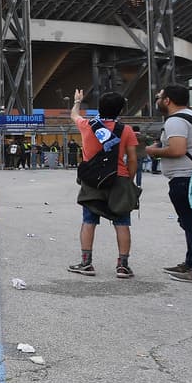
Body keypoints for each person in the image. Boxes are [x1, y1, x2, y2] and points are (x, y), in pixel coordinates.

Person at [145, 83, 192, 285]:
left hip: (186, 178)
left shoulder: (175, 121)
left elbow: (177, 150)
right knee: (190, 223)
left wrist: (153, 151)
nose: (157, 100)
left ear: (167, 100)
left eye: (159, 97)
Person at [67, 89, 139, 278]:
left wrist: (77, 101)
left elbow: (74, 115)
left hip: (93, 181)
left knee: (89, 221)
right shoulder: (126, 130)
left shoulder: (88, 125)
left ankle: (86, 263)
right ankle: (122, 265)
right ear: (120, 111)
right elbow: (132, 159)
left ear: (99, 108)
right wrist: (128, 180)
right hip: (119, 178)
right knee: (122, 223)